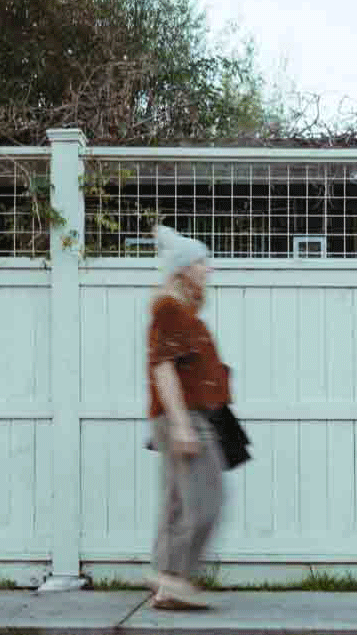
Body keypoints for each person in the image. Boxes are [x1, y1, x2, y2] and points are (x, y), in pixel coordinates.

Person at [145, 225, 229, 610]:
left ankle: (167, 584)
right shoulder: (170, 309)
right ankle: (173, 577)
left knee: (178, 503)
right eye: (200, 262)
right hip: (186, 418)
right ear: (182, 270)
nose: (207, 269)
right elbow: (162, 368)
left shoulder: (181, 311)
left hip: (189, 416)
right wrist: (179, 424)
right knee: (207, 501)